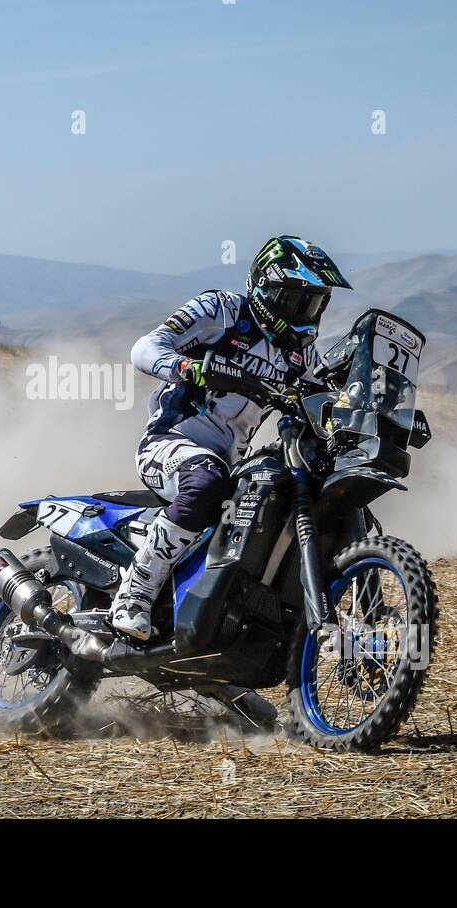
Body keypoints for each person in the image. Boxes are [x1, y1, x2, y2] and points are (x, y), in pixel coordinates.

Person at [110, 235, 352, 640]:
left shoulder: (300, 357)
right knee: (206, 480)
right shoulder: (221, 310)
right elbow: (144, 348)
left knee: (271, 505)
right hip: (169, 442)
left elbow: (323, 400)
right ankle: (134, 593)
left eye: (314, 303)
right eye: (297, 300)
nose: (306, 312)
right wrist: (188, 368)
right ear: (267, 288)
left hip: (230, 462)